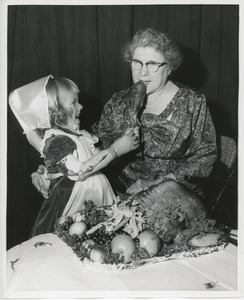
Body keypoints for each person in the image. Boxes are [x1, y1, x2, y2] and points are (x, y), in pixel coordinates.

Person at [31, 28, 217, 241]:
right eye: (137, 63)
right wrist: (50, 167)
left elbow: (205, 156)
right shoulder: (119, 102)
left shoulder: (193, 102)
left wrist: (159, 182)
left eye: (152, 65)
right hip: (120, 195)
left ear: (170, 67)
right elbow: (88, 143)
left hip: (175, 193)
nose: (142, 72)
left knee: (157, 197)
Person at [9, 75, 141, 237]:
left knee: (101, 235)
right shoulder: (55, 141)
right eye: (74, 102)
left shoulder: (79, 135)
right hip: (75, 198)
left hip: (97, 192)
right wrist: (115, 150)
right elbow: (79, 171)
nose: (81, 106)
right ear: (55, 112)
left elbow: (97, 157)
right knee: (76, 236)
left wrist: (125, 141)